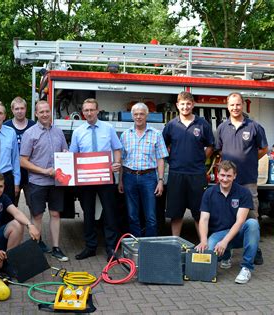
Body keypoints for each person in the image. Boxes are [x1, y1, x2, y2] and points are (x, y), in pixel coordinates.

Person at [216, 92, 268, 265]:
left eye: (238, 104)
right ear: (227, 106)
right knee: (227, 217)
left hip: (248, 180)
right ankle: (227, 252)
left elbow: (263, 149)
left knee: (252, 216)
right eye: (232, 105)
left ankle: (255, 250)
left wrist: (250, 159)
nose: (235, 108)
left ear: (243, 105)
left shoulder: (254, 126)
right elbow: (220, 151)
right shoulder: (222, 128)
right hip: (227, 183)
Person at [69, 98, 122, 261]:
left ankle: (111, 248)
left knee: (110, 213)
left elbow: (117, 148)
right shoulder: (78, 131)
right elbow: (73, 155)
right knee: (88, 213)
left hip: (106, 177)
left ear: (98, 111)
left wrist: (117, 163)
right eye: (86, 110)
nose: (89, 113)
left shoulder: (109, 128)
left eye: (92, 110)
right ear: (82, 113)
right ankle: (90, 247)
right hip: (86, 179)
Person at [195, 160, 260, 284]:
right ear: (218, 175)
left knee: (252, 224)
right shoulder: (209, 193)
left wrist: (225, 242)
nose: (225, 179)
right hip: (218, 234)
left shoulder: (243, 193)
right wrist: (203, 240)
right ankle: (225, 256)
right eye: (222, 175)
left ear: (234, 176)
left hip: (238, 233)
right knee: (210, 251)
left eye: (229, 176)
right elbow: (203, 219)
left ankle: (246, 268)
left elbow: (240, 221)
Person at [20, 100, 69, 261]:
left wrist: (66, 155)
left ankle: (56, 248)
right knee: (37, 215)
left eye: (47, 111)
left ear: (50, 112)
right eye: (41, 112)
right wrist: (44, 171)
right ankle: (36, 248)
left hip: (56, 182)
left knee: (55, 214)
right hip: (37, 182)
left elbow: (64, 152)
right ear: (36, 114)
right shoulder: (30, 133)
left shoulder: (59, 132)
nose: (45, 114)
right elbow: (23, 161)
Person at [163, 92, 214, 236]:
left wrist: (200, 159)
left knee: (199, 213)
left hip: (197, 174)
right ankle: (175, 244)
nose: (185, 107)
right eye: (182, 104)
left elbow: (210, 146)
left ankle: (204, 245)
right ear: (177, 105)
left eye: (188, 104)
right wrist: (172, 158)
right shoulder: (171, 125)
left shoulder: (202, 124)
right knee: (176, 213)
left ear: (193, 105)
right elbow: (163, 145)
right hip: (176, 174)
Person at [119, 103, 168, 237]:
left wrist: (160, 181)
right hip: (129, 177)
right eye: (135, 114)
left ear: (147, 115)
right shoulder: (125, 135)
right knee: (132, 215)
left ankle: (149, 246)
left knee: (151, 216)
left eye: (141, 114)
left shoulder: (156, 134)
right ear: (132, 116)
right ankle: (136, 245)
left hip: (149, 178)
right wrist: (120, 181)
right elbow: (122, 160)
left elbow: (160, 159)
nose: (138, 117)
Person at [4, 96, 36, 205]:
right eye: (16, 109)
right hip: (11, 173)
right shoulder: (6, 127)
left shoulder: (34, 126)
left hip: (30, 173)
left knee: (34, 207)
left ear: (26, 109)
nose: (19, 111)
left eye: (22, 108)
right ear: (12, 110)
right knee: (10, 206)